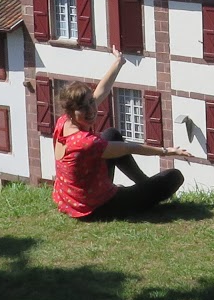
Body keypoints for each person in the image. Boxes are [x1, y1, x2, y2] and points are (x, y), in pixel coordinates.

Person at [52, 49, 188, 221]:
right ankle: (144, 189)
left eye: (91, 102)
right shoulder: (86, 142)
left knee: (111, 134)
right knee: (174, 177)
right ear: (72, 111)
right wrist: (166, 151)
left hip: (71, 198)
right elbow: (130, 148)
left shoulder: (63, 122)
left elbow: (101, 91)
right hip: (96, 207)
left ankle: (143, 185)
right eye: (83, 108)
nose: (91, 110)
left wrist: (118, 62)